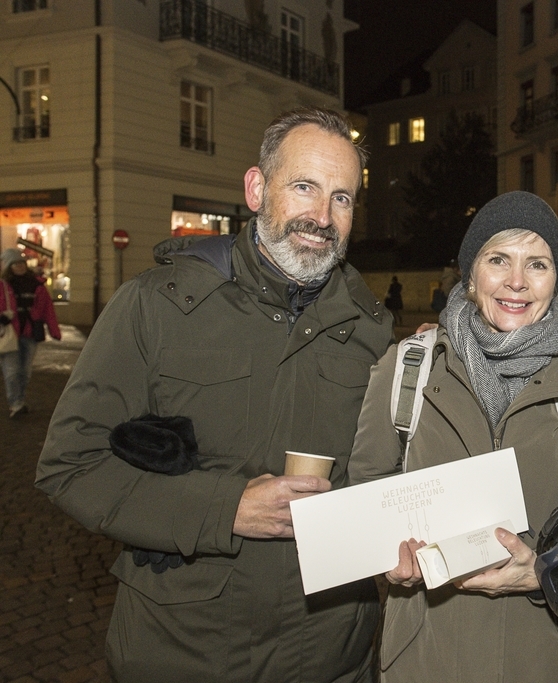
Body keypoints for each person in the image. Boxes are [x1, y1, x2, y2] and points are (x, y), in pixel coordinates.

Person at [35, 107, 393, 682]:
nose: (322, 216)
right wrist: (224, 508)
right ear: (257, 188)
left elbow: (384, 478)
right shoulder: (155, 305)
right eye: (304, 187)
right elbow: (70, 466)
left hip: (330, 657)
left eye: (343, 197)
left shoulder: (373, 332)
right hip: (184, 655)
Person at [348, 190, 558, 683]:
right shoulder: (407, 370)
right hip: (427, 657)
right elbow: (368, 492)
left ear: (555, 279)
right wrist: (386, 558)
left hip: (551, 658)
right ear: (471, 274)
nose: (516, 282)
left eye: (537, 264)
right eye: (498, 259)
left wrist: (544, 572)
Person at [1, 248, 61, 418]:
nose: (19, 266)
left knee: (25, 371)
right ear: (9, 267)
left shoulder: (37, 285)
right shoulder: (3, 285)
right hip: (10, 333)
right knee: (12, 371)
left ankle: (19, 399)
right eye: (15, 264)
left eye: (21, 263)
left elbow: (48, 309)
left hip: (29, 333)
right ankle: (15, 404)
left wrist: (54, 330)